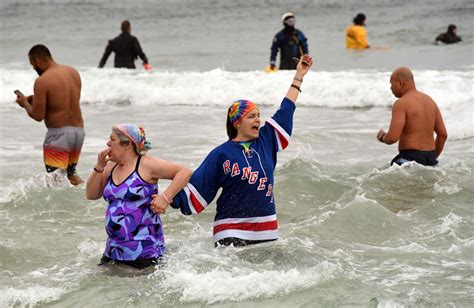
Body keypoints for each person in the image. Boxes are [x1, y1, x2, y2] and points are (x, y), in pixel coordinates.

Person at [153, 55, 313, 247]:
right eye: (252, 116)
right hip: (230, 231)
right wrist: (164, 198)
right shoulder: (221, 154)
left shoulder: (266, 140)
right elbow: (197, 186)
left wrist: (299, 76)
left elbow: (286, 109)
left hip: (267, 229)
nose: (258, 120)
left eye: (259, 116)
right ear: (237, 122)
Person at [86, 124, 192, 269]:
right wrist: (99, 166)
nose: (108, 143)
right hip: (113, 250)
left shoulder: (147, 165)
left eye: (112, 139)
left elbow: (184, 172)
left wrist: (166, 197)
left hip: (144, 251)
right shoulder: (111, 166)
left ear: (127, 144)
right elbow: (91, 194)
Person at [15, 44, 85, 186]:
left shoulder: (42, 81)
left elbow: (37, 115)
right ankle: (88, 202)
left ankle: (61, 208)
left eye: (33, 64)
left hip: (59, 136)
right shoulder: (72, 72)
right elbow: (64, 100)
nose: (34, 68)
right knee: (71, 176)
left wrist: (24, 103)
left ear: (38, 61)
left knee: (55, 182)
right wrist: (36, 98)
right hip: (78, 132)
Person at [376, 67, 447, 166]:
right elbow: (443, 135)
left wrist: (382, 137)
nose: (391, 88)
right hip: (430, 158)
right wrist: (432, 157)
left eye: (391, 84)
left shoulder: (401, 103)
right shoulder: (430, 101)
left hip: (409, 158)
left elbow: (392, 138)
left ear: (400, 83)